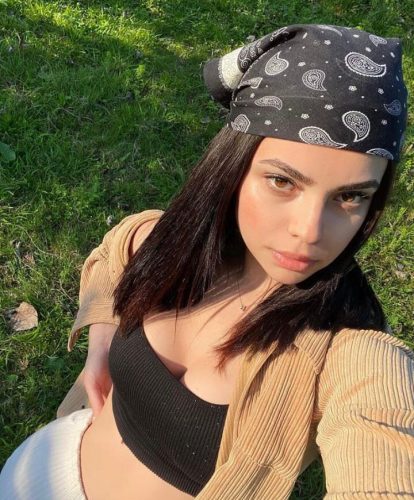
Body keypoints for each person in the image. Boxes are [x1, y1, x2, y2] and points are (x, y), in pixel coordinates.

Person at [1, 23, 413, 500]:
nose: (310, 231)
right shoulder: (167, 244)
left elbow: (384, 446)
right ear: (233, 170)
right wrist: (102, 340)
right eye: (283, 182)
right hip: (38, 468)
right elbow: (116, 252)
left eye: (350, 196)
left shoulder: (347, 351)